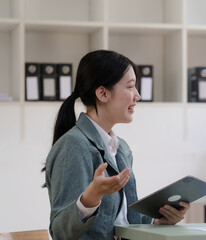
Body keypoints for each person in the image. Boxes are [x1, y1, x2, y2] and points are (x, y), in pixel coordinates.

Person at [43, 50, 190, 240]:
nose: (137, 96)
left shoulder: (121, 149)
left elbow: (124, 220)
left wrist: (158, 221)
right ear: (103, 93)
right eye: (130, 87)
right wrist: (90, 198)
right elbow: (60, 233)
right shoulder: (73, 146)